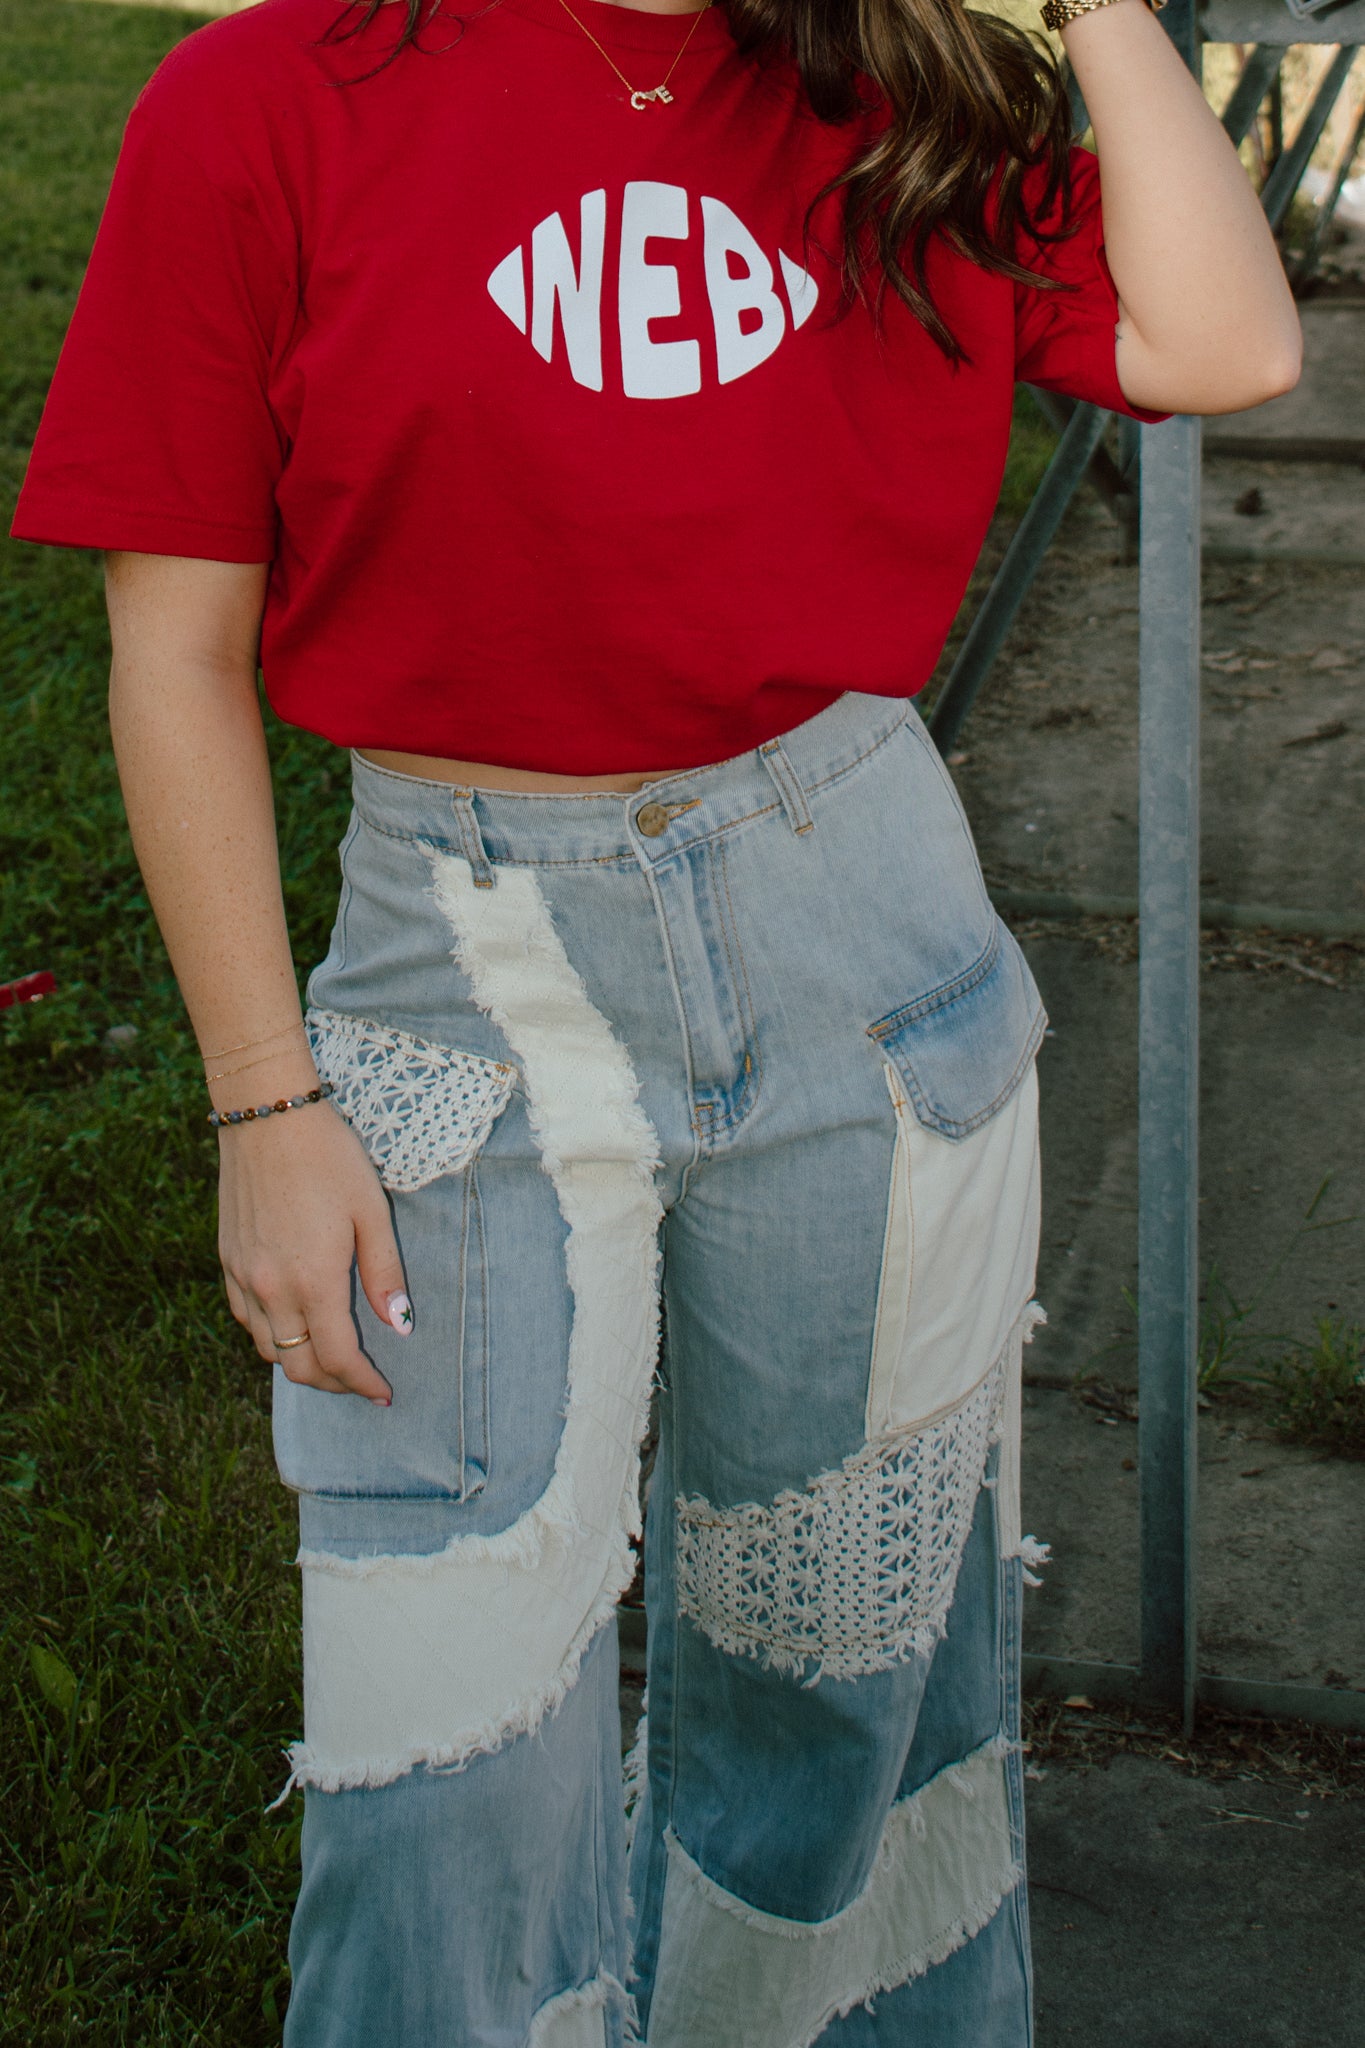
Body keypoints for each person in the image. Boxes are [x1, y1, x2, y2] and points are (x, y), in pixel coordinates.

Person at [11, 0, 1296, 2034]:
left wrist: (1098, 9)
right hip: (466, 952)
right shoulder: (268, 96)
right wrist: (266, 1107)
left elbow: (1223, 344)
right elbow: (170, 647)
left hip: (858, 928)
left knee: (842, 1692)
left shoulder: (898, 92)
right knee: (445, 1745)